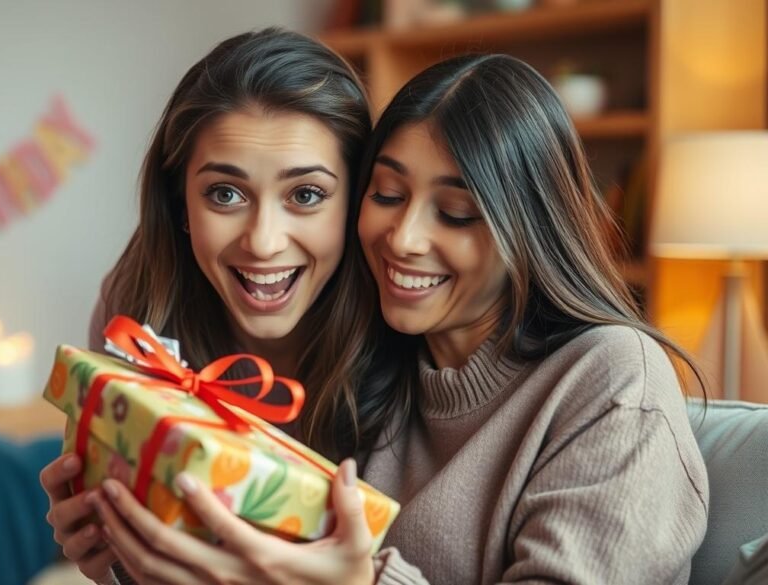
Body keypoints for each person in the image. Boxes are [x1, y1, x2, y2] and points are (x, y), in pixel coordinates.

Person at [90, 54, 710, 584]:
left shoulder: (612, 380)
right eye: (386, 195)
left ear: (532, 228)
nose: (404, 238)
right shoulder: (374, 359)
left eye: (457, 212)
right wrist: (127, 551)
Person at [39, 28, 415, 584]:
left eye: (306, 195)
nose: (263, 241)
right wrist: (113, 560)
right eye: (225, 194)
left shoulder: (412, 325)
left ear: (356, 202)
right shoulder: (136, 311)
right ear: (180, 203)